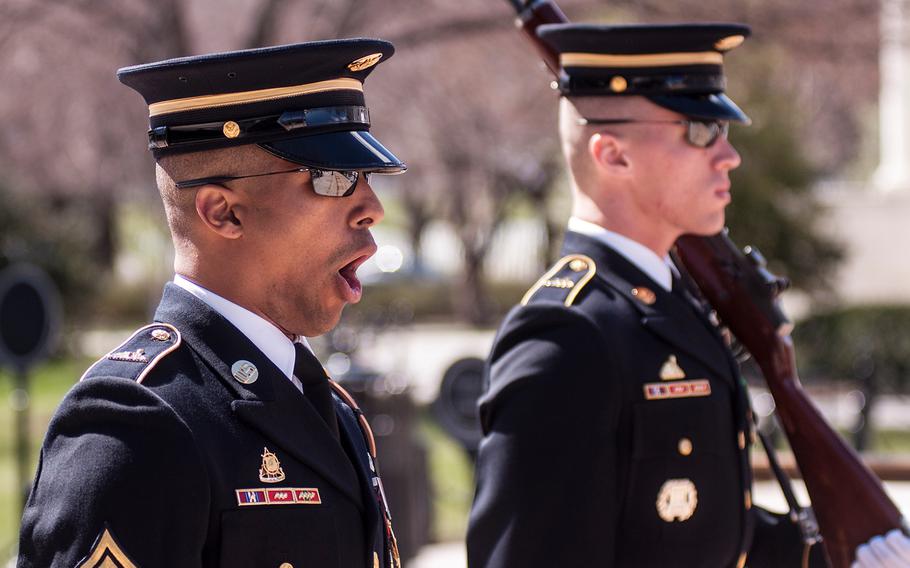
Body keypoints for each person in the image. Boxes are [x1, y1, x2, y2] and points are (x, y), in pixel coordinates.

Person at [466, 22, 910, 568]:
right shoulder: (568, 336)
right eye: (700, 131)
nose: (728, 157)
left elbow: (703, 526)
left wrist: (837, 557)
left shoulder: (677, 308)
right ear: (613, 156)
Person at [18, 39, 406, 568]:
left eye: (366, 178)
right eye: (333, 178)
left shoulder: (331, 407)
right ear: (223, 213)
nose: (371, 208)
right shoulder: (136, 423)